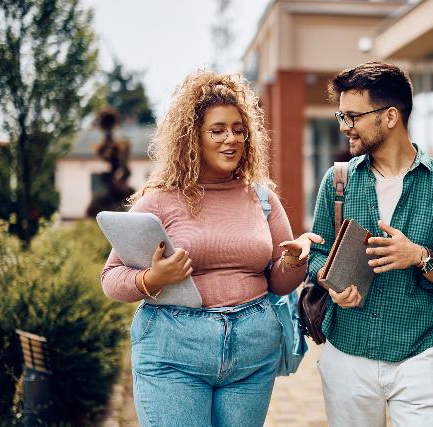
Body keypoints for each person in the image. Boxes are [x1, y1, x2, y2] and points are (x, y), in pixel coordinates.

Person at [101, 71, 322, 427]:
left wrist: (294, 261)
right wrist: (152, 277)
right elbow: (111, 278)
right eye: (217, 130)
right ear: (193, 138)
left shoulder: (263, 199)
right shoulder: (159, 201)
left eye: (238, 129)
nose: (230, 139)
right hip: (173, 351)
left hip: (252, 353)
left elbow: (280, 284)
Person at [308, 61, 433, 426]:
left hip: (417, 355)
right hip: (347, 353)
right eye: (341, 116)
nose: (344, 126)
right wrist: (330, 283)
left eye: (352, 116)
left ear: (390, 116)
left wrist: (419, 256)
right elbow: (318, 252)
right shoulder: (337, 181)